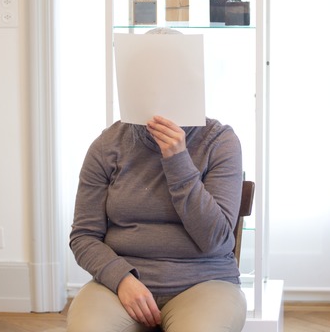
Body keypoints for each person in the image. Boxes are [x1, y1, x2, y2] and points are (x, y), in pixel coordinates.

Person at [66, 36, 246, 331]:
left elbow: (217, 241)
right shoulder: (107, 145)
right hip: (121, 284)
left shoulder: (220, 141)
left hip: (205, 281)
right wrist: (122, 279)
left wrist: (178, 160)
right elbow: (84, 236)